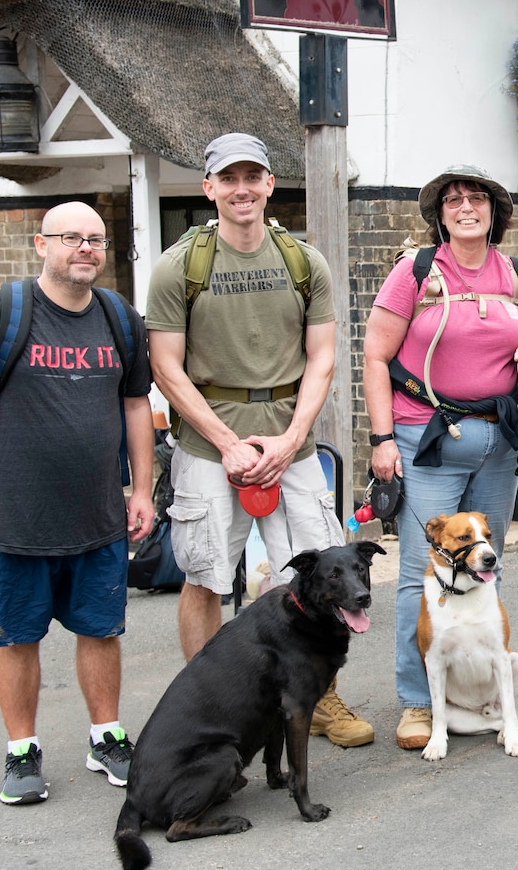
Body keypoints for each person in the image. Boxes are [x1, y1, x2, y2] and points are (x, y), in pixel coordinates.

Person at [146, 133, 371, 747]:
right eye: (229, 178)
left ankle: (319, 699)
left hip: (290, 448)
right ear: (210, 188)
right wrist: (227, 444)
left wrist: (292, 438)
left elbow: (322, 359)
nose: (242, 189)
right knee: (206, 578)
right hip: (206, 447)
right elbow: (166, 367)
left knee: (317, 577)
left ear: (271, 184)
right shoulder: (178, 266)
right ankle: (207, 701)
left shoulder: (303, 262)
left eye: (254, 177)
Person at [0, 202, 155, 804]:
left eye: (95, 239)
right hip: (13, 517)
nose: (85, 248)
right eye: (71, 238)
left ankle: (105, 735)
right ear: (41, 245)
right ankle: (21, 752)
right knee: (16, 636)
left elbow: (136, 406)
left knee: (101, 629)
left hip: (97, 516)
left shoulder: (120, 319)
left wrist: (141, 490)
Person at [362, 165, 518, 751]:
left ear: (495, 212)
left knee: (484, 569)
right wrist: (381, 438)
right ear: (440, 214)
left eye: (476, 198)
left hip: (497, 446)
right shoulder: (415, 271)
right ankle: (418, 703)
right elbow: (374, 354)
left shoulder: (517, 273)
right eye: (453, 200)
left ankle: (480, 687)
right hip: (425, 442)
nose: (465, 206)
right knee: (423, 575)